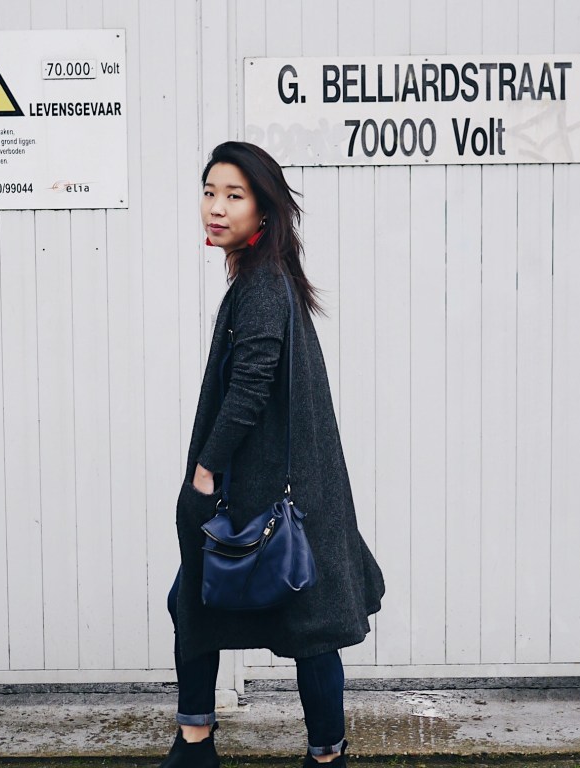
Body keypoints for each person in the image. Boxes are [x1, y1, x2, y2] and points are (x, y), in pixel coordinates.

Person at [162, 141, 386, 768]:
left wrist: (205, 469)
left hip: (262, 492)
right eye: (210, 192)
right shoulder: (268, 276)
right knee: (290, 619)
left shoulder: (261, 283)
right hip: (292, 490)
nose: (216, 207)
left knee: (229, 608)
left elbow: (251, 385)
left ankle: (203, 744)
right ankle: (307, 752)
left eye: (233, 195)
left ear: (264, 210)